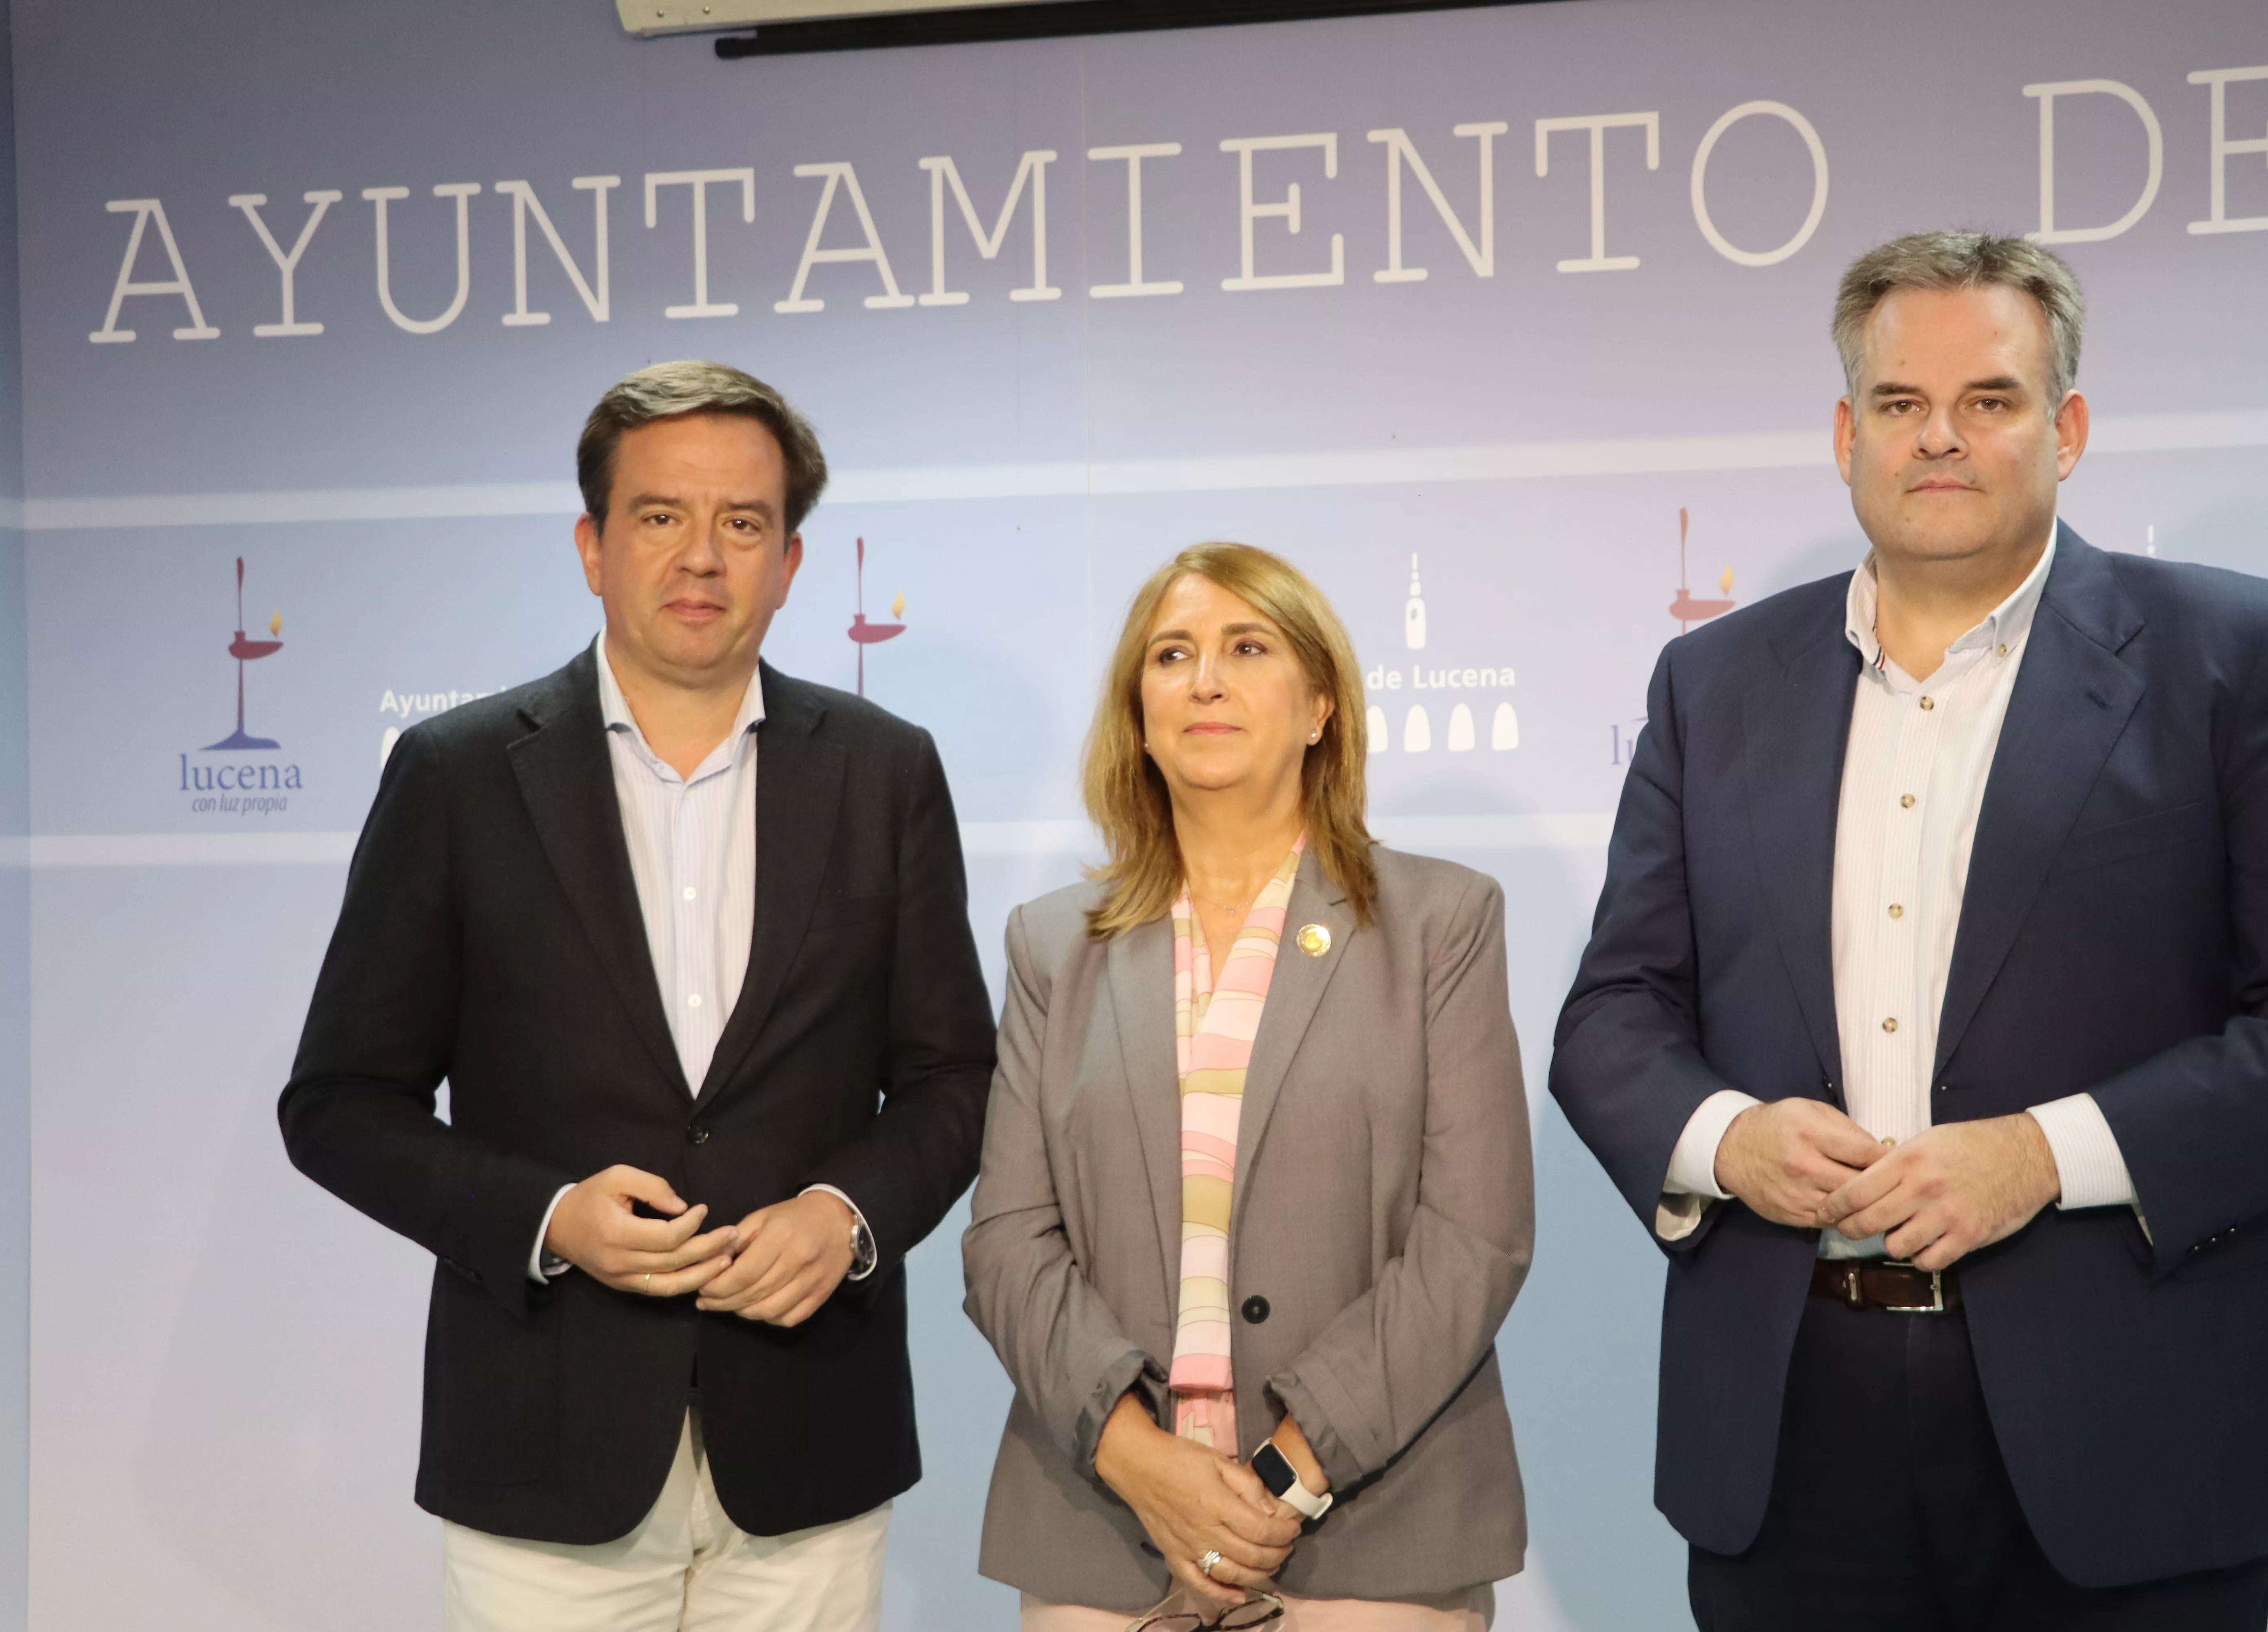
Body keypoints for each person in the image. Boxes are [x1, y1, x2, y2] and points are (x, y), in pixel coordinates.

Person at [1550, 231, 2268, 1631]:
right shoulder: (1712, 684)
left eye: (1992, 400)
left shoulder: (2235, 657)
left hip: (2135, 1427)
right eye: (1901, 405)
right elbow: (1613, 1015)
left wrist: (2044, 1155)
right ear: (1848, 435)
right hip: (1792, 1432)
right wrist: (1725, 1138)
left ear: (2068, 428)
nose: (1941, 439)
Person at [279, 361, 996, 1632]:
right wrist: (548, 1215)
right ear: (592, 547)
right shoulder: (455, 777)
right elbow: (338, 1103)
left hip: (810, 1457)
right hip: (545, 1458)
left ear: (788, 562)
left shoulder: (888, 773)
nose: (702, 558)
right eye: (661, 517)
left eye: (744, 524)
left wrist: (847, 1215)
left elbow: (952, 1077)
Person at [963, 543, 1533, 1631]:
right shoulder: (1052, 946)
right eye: (1172, 656)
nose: (1206, 680)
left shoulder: (1441, 924)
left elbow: (1476, 1238)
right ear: (1140, 714)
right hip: (1104, 1531)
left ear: (1320, 704)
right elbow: (1008, 1245)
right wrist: (1143, 1464)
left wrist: (1283, 1479)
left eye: (1246, 648)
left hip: (1373, 1531)